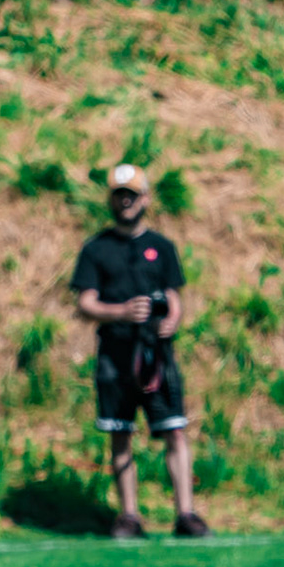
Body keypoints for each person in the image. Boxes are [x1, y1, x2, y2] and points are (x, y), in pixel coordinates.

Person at [69, 164, 211, 540]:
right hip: (115, 356)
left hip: (156, 357)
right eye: (119, 194)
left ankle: (186, 514)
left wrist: (173, 320)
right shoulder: (96, 248)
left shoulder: (162, 247)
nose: (125, 201)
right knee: (120, 433)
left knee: (175, 430)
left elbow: (174, 297)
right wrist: (121, 312)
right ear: (111, 200)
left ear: (145, 199)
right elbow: (85, 303)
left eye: (131, 194)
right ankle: (129, 516)